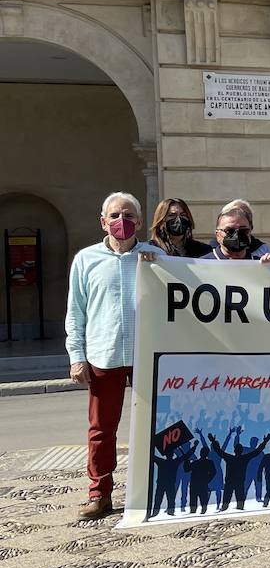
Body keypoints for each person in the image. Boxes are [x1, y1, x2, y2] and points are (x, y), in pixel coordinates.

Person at [65, 192, 164, 519]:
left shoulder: (154, 256)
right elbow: (75, 312)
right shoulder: (86, 259)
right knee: (101, 429)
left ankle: (156, 488)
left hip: (146, 356)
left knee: (156, 426)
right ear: (103, 221)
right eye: (115, 215)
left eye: (129, 214)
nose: (121, 221)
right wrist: (76, 355)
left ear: (139, 220)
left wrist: (157, 272)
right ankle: (99, 493)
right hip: (103, 356)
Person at [148, 198, 212, 258]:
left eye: (183, 215)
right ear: (161, 221)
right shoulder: (150, 250)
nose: (178, 219)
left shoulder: (204, 250)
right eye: (172, 215)